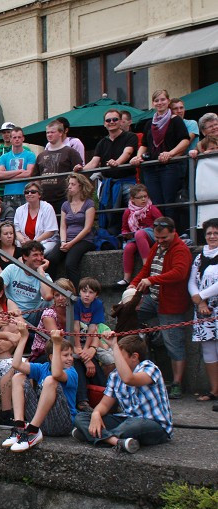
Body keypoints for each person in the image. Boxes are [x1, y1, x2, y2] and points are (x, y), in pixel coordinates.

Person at [72, 333, 173, 453]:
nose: (116, 359)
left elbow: (129, 379)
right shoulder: (115, 375)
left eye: (120, 355)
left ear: (134, 357)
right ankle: (116, 441)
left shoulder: (150, 368)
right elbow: (104, 404)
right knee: (81, 417)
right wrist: (96, 414)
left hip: (154, 425)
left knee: (132, 425)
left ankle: (91, 435)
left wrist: (114, 346)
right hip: (127, 419)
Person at [128, 216, 192, 399]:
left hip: (171, 303)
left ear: (173, 232)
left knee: (174, 343)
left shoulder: (181, 250)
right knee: (129, 313)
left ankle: (177, 383)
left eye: (164, 238)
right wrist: (133, 284)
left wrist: (151, 280)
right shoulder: (157, 246)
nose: (160, 242)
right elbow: (146, 268)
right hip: (153, 298)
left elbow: (178, 274)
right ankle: (147, 339)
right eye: (157, 238)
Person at [4, 325, 78, 452]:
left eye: (71, 355)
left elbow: (56, 374)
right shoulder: (43, 367)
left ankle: (32, 431)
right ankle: (19, 427)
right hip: (41, 422)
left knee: (50, 380)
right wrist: (23, 337)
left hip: (63, 424)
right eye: (66, 355)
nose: (70, 358)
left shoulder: (72, 372)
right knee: (18, 377)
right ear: (51, 357)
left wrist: (57, 344)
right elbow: (16, 364)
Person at [130, 90, 191, 228]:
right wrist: (138, 156)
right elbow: (145, 144)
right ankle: (160, 232)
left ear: (168, 101)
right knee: (156, 203)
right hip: (152, 167)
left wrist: (170, 153)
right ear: (153, 103)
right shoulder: (149, 123)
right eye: (157, 100)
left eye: (163, 99)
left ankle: (173, 232)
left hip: (170, 166)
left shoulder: (175, 120)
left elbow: (185, 141)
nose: (160, 103)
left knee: (169, 202)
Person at [77, 109, 139, 234]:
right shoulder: (102, 142)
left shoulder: (130, 136)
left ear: (121, 121)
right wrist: (81, 169)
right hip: (108, 185)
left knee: (132, 212)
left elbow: (127, 153)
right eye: (108, 120)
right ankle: (112, 240)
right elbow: (94, 162)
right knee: (110, 216)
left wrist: (117, 163)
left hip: (126, 182)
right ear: (104, 124)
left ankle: (132, 238)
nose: (111, 122)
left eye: (115, 119)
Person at [188, 218, 218, 405]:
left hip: (213, 304)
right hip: (203, 309)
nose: (212, 236)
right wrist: (198, 301)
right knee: (208, 349)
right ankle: (215, 389)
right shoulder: (200, 257)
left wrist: (201, 296)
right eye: (209, 233)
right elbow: (192, 281)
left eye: (216, 233)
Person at [49, 173, 96, 288]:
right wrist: (64, 241)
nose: (69, 187)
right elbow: (63, 226)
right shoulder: (65, 205)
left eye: (73, 184)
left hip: (84, 240)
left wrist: (71, 243)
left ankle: (75, 292)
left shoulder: (89, 204)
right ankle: (50, 288)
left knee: (70, 263)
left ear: (80, 186)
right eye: (69, 184)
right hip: (67, 239)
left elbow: (87, 228)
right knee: (51, 259)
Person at [0, 240, 54, 327]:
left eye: (41, 255)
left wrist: (40, 271)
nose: (40, 258)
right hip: (12, 313)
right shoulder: (12, 269)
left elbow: (48, 297)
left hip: (32, 316)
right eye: (35, 255)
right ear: (25, 256)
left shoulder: (44, 276)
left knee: (49, 302)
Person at [33, 120, 83, 213]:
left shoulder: (70, 152)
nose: (49, 135)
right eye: (47, 132)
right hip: (44, 200)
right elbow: (36, 178)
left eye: (52, 132)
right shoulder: (41, 155)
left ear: (60, 133)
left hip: (64, 198)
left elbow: (80, 175)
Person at [118, 184, 163, 286]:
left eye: (145, 196)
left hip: (152, 235)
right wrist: (125, 234)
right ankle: (127, 278)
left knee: (140, 233)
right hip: (135, 237)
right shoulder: (128, 212)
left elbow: (161, 222)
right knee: (129, 247)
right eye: (140, 197)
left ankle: (146, 266)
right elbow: (124, 228)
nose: (144, 199)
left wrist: (148, 230)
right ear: (132, 199)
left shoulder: (151, 209)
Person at [73, 277, 114, 370]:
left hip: (91, 339)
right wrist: (79, 347)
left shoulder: (98, 304)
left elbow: (92, 328)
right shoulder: (76, 303)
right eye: (84, 291)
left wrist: (87, 348)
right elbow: (75, 326)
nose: (87, 295)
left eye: (91, 292)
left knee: (111, 360)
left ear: (96, 295)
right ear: (79, 292)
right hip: (76, 340)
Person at [0, 127, 36, 211]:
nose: (17, 139)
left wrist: (8, 177)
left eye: (19, 137)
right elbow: (0, 175)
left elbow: (28, 173)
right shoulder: (4, 157)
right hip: (8, 194)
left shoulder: (30, 155)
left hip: (25, 193)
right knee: (10, 221)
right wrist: (19, 171)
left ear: (23, 138)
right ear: (10, 139)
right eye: (14, 137)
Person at [14, 181, 58, 255]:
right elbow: (16, 230)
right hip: (25, 242)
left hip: (45, 241)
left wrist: (33, 242)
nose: (29, 194)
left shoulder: (48, 208)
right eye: (27, 192)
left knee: (34, 253)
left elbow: (50, 231)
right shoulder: (19, 210)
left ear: (39, 195)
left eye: (33, 192)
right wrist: (22, 240)